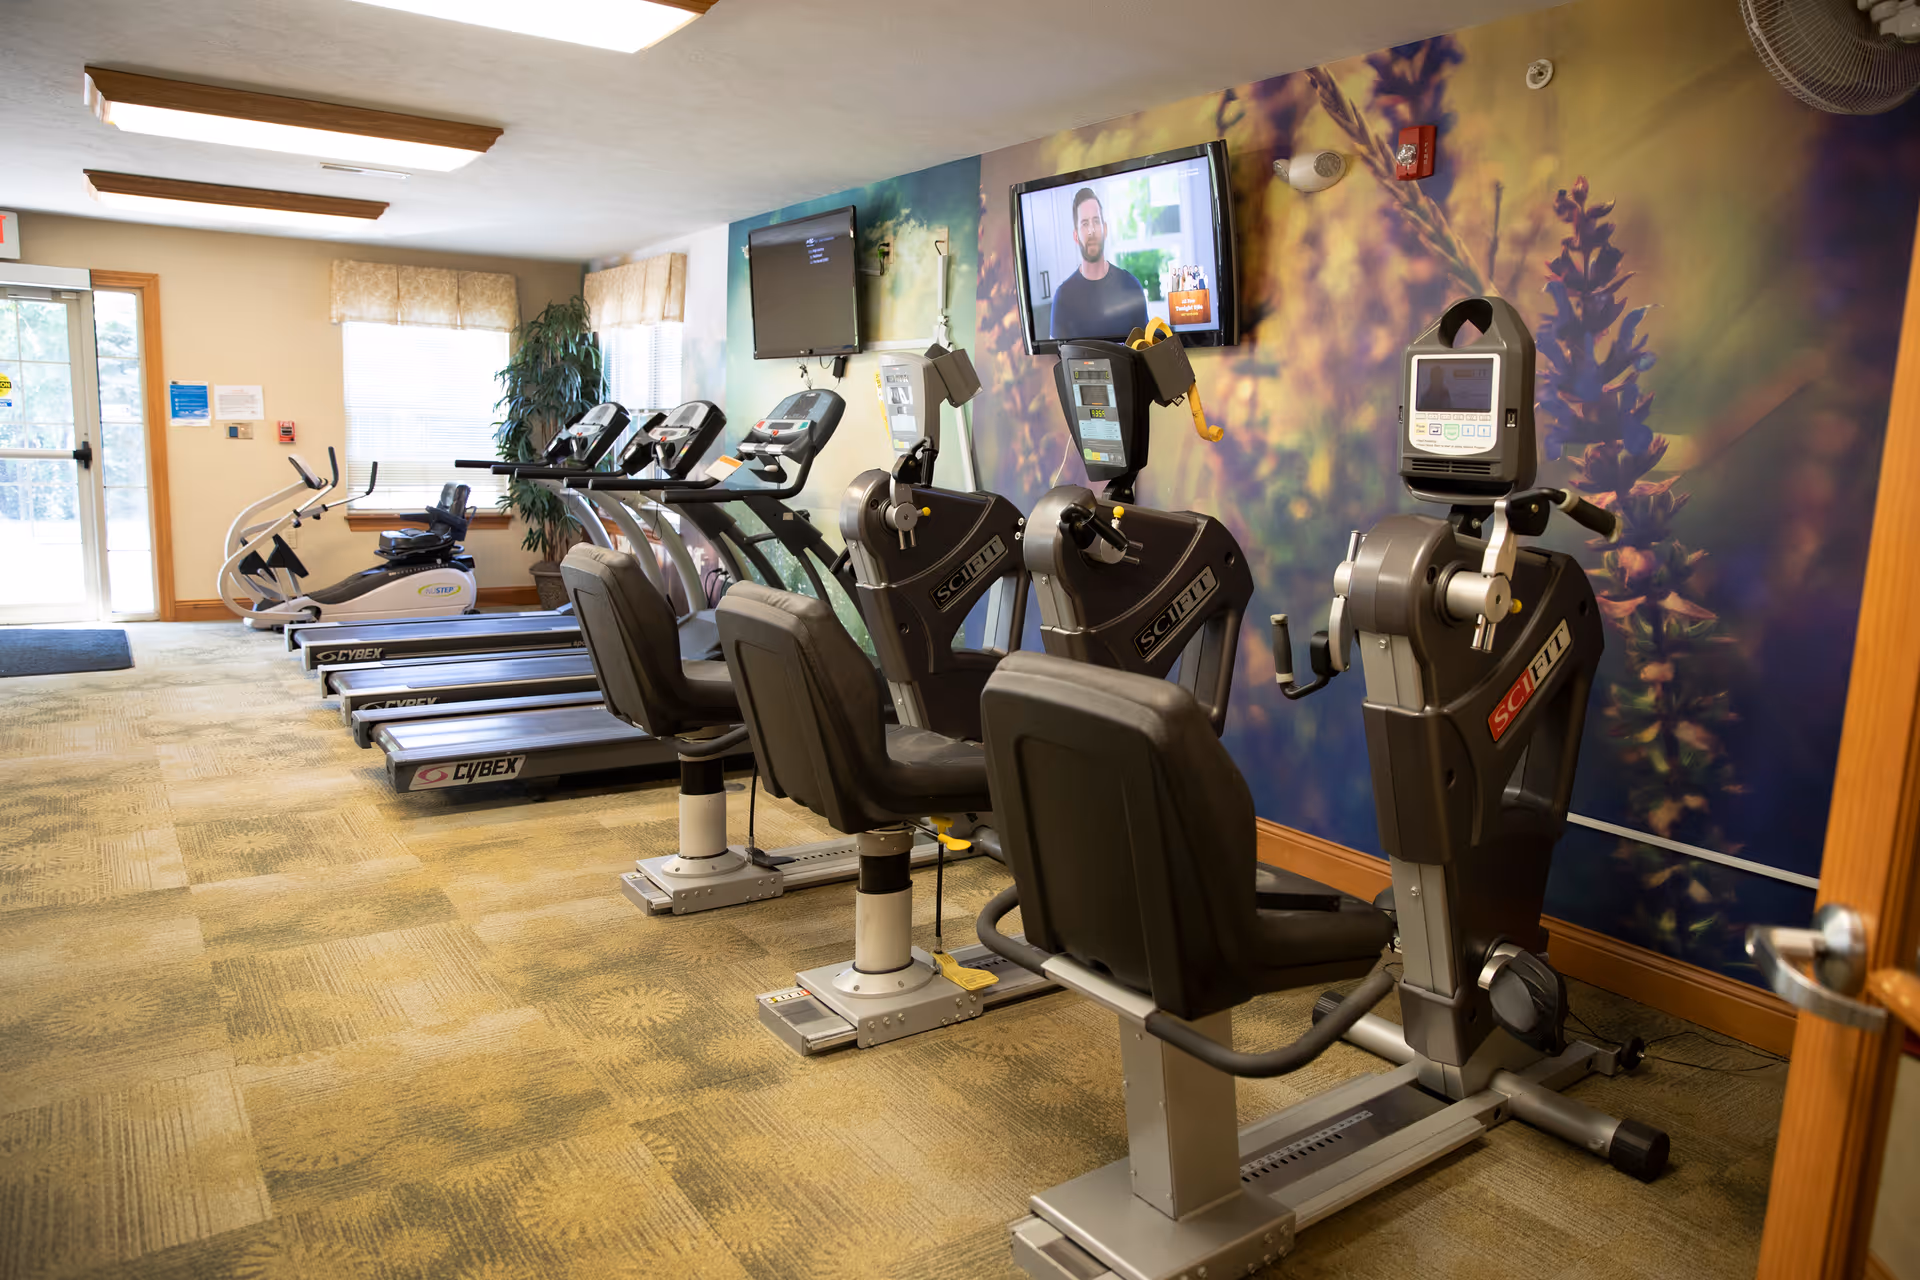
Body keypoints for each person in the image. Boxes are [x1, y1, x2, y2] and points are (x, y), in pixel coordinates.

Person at [1049, 187, 1148, 341]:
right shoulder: (1063, 297)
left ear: (1105, 229)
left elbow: (1146, 352)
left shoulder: (1131, 286)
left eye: (1096, 221)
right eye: (1084, 224)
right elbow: (1058, 359)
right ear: (1076, 236)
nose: (1091, 231)